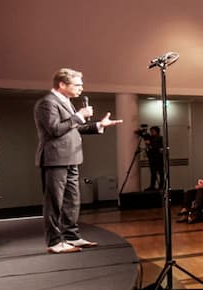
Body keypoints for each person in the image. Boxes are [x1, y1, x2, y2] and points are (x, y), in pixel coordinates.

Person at [35, 68, 123, 253]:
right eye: (77, 85)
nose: (81, 88)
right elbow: (55, 130)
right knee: (54, 202)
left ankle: (71, 236)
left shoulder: (66, 102)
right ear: (62, 84)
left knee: (72, 200)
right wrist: (79, 116)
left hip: (72, 157)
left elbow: (73, 128)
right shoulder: (47, 103)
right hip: (55, 158)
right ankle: (54, 241)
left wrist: (99, 125)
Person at [142, 125, 166, 190]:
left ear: (157, 132)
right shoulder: (151, 138)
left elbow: (159, 147)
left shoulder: (160, 138)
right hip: (152, 159)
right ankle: (152, 186)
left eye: (153, 131)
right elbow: (144, 136)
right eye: (151, 131)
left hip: (159, 159)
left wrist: (151, 143)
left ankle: (161, 186)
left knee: (161, 173)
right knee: (153, 173)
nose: (152, 133)